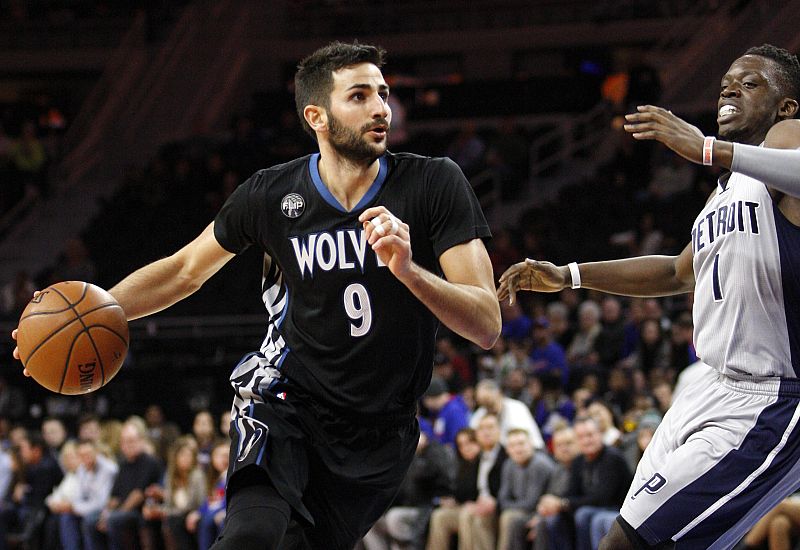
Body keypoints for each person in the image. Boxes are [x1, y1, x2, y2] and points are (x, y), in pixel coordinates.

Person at [14, 41, 500, 550]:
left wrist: (409, 271)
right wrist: (84, 316)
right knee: (250, 536)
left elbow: (486, 324)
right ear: (317, 115)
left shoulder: (434, 183)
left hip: (380, 431)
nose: (381, 107)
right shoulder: (271, 194)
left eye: (382, 93)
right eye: (359, 96)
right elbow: (183, 271)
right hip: (286, 399)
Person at [498, 43, 800, 549]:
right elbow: (679, 271)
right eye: (727, 81)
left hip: (769, 399)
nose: (730, 88)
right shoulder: (723, 193)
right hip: (707, 389)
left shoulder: (787, 138)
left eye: (751, 84)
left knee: (625, 544)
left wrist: (704, 147)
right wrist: (570, 274)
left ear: (786, 105)